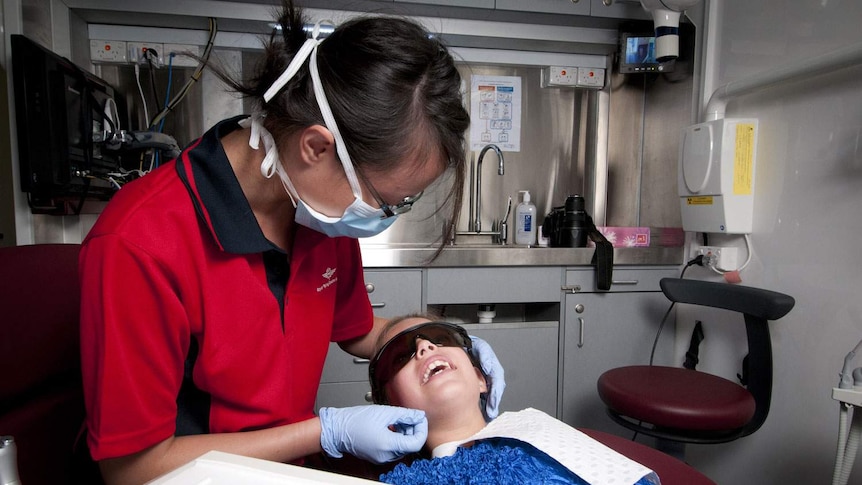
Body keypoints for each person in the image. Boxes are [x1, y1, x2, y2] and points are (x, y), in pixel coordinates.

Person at [78, 2, 506, 483]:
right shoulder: (139, 244)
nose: (384, 215)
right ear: (317, 148)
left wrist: (452, 341)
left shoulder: (317, 212)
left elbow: (360, 331)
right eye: (387, 201)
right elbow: (131, 467)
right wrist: (325, 432)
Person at [369, 315, 661, 485]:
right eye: (399, 356)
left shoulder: (541, 433)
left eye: (441, 337)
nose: (425, 346)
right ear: (392, 415)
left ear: (482, 379)